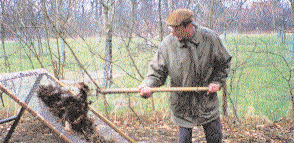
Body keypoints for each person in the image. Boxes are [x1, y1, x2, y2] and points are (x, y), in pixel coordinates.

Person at [139, 9, 232, 143]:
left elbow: (224, 63)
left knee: (215, 139)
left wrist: (217, 81)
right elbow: (156, 72)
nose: (172, 33)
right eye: (171, 29)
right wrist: (148, 86)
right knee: (184, 140)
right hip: (182, 105)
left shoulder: (209, 38)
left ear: (188, 26)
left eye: (176, 29)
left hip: (207, 102)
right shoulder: (167, 45)